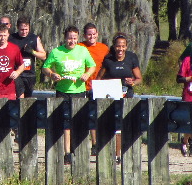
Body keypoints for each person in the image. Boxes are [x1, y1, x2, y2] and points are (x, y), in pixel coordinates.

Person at [42, 25, 96, 164]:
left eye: (74, 38)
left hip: (79, 91)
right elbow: (45, 67)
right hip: (62, 91)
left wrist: (87, 74)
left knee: (78, 122)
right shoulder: (56, 52)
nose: (72, 41)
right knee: (65, 123)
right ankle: (66, 153)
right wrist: (52, 74)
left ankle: (78, 150)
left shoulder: (83, 51)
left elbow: (92, 66)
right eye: (69, 38)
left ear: (78, 38)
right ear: (64, 38)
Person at [96, 33, 143, 162]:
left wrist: (132, 82)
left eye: (123, 46)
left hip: (126, 95)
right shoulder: (108, 59)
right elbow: (99, 78)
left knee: (125, 124)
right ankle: (115, 154)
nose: (120, 49)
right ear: (114, 47)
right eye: (118, 46)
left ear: (126, 47)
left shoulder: (132, 58)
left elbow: (139, 78)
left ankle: (124, 152)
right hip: (111, 97)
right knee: (114, 125)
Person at [8, 16, 46, 98]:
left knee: (28, 97)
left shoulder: (34, 38)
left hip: (29, 74)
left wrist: (32, 52)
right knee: (20, 94)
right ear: (17, 27)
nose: (24, 32)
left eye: (26, 29)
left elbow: (43, 56)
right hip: (17, 73)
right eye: (22, 29)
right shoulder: (11, 38)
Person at [79, 23, 110, 99]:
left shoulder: (104, 48)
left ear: (97, 34)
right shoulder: (79, 47)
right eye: (89, 34)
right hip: (83, 85)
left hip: (100, 85)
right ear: (84, 36)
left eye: (94, 34)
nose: (92, 36)